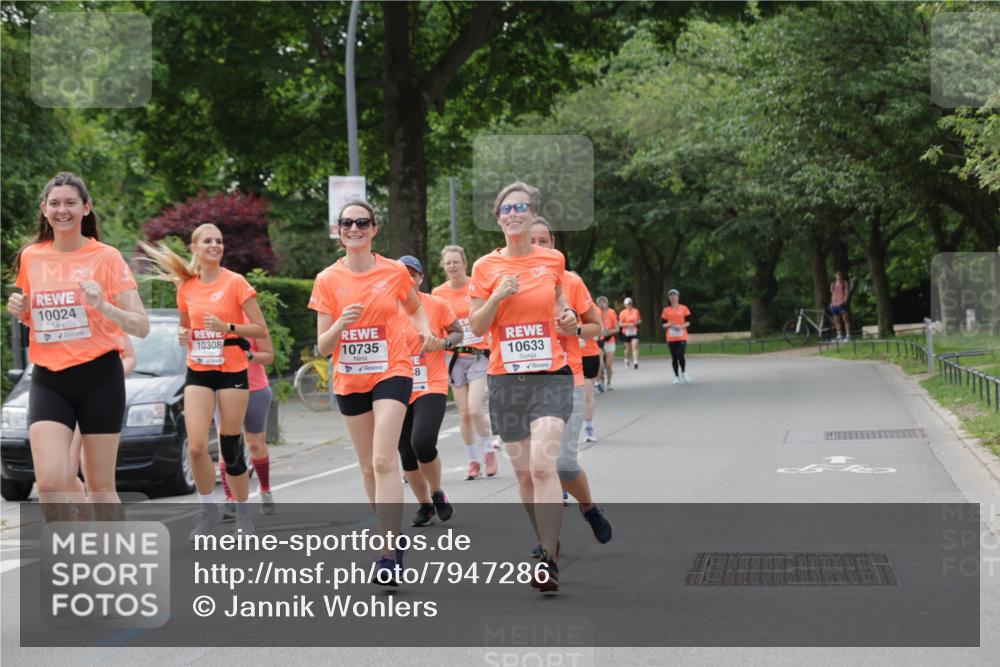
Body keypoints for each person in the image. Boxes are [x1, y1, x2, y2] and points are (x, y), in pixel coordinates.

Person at [8, 173, 150, 514]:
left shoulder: (107, 257)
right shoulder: (32, 257)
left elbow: (141, 326)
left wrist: (103, 305)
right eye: (54, 203)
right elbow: (39, 318)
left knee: (101, 488)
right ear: (44, 210)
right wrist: (23, 312)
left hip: (99, 376)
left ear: (86, 207)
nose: (62, 210)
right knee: (50, 484)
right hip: (49, 377)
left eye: (71, 202)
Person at [309, 200, 432, 584]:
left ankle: (390, 552)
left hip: (392, 370)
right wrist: (341, 325)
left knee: (383, 460)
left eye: (362, 222)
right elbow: (323, 348)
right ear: (339, 231)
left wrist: (424, 330)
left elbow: (415, 308)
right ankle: (389, 538)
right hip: (350, 378)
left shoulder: (394, 271)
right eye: (347, 223)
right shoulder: (327, 279)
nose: (355, 228)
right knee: (366, 466)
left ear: (374, 229)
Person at [469, 182, 577, 593]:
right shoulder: (484, 268)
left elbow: (558, 303)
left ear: (532, 215)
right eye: (506, 209)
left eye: (521, 208)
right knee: (524, 476)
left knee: (542, 467)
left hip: (550, 374)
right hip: (505, 380)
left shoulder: (552, 259)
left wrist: (566, 317)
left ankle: (548, 559)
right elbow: (476, 327)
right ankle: (546, 537)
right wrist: (496, 297)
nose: (514, 214)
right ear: (498, 219)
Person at [142, 224, 268, 539]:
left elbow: (260, 330)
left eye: (219, 241)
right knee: (196, 447)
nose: (215, 245)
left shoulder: (236, 283)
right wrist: (183, 335)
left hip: (232, 368)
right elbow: (186, 331)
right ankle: (209, 512)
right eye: (208, 241)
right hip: (199, 367)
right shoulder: (186, 288)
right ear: (195, 248)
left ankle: (243, 518)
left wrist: (227, 325)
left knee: (230, 446)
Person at [530, 220, 613, 549]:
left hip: (569, 380)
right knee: (536, 466)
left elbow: (599, 326)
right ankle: (549, 540)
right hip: (524, 385)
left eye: (544, 240)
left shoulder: (570, 282)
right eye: (532, 241)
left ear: (553, 244)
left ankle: (588, 506)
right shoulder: (511, 282)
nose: (539, 246)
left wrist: (574, 330)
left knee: (563, 462)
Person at [396, 255, 463, 527]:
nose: (408, 278)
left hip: (430, 383)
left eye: (413, 274)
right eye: (402, 273)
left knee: (422, 441)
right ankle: (424, 506)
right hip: (396, 383)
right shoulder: (384, 307)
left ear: (420, 278)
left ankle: (437, 493)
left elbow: (458, 332)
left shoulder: (435, 305)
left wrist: (444, 343)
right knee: (405, 450)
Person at [432, 245, 498, 479]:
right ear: (444, 265)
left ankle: (489, 450)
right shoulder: (438, 293)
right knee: (464, 415)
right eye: (448, 262)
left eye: (456, 262)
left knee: (474, 409)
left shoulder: (476, 287)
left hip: (478, 354)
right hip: (454, 358)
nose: (452, 266)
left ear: (464, 263)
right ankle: (473, 461)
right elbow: (437, 324)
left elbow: (489, 315)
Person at [66, 337, 137, 503]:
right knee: (65, 473)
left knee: (97, 481)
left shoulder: (102, 315)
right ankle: (83, 509)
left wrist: (109, 378)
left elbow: (131, 357)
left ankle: (94, 514)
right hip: (66, 397)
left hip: (99, 398)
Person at [220, 315, 277, 516]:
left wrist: (247, 356)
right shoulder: (211, 318)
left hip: (255, 388)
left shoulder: (251, 319)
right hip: (223, 387)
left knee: (254, 442)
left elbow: (269, 356)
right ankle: (230, 498)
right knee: (226, 443)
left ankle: (265, 490)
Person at [661, 289, 692, 384]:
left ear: (678, 297)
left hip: (681, 335)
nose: (673, 297)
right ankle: (676, 377)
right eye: (671, 296)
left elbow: (688, 322)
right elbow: (663, 324)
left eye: (674, 295)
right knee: (674, 357)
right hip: (671, 337)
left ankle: (684, 372)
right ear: (669, 298)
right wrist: (670, 325)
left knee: (680, 355)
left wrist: (681, 327)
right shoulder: (666, 310)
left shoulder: (684, 308)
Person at [596, 296, 618, 392]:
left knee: (608, 365)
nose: (602, 304)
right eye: (600, 302)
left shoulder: (611, 312)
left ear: (607, 303)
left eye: (604, 302)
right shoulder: (595, 313)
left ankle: (609, 382)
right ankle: (601, 381)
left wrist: (608, 332)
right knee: (600, 364)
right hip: (599, 341)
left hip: (610, 340)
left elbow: (617, 329)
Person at [619, 297, 641, 369]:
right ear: (625, 305)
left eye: (630, 303)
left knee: (635, 346)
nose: (629, 305)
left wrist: (637, 323)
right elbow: (620, 324)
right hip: (626, 332)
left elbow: (639, 320)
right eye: (627, 304)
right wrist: (628, 325)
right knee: (627, 348)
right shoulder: (622, 313)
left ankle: (635, 361)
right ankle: (626, 359)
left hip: (634, 331)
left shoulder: (636, 311)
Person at [831, 271, 852, 341]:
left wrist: (845, 301)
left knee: (846, 320)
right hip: (834, 304)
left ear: (841, 276)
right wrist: (832, 302)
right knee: (836, 321)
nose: (838, 276)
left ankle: (848, 335)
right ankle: (839, 335)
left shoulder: (844, 283)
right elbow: (833, 293)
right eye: (837, 275)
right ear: (835, 276)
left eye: (839, 275)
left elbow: (847, 292)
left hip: (841, 303)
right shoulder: (833, 284)